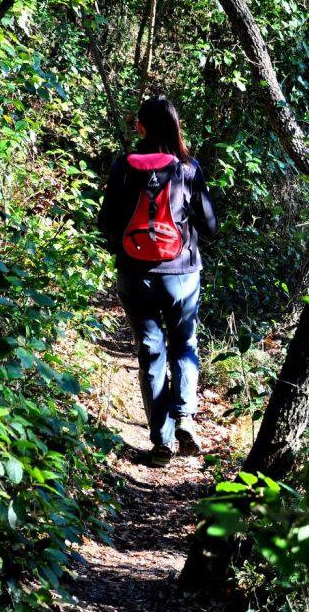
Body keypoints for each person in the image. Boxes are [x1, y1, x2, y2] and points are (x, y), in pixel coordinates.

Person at [97, 96, 218, 467]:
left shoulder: (122, 167)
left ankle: (161, 442)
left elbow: (105, 223)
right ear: (175, 127)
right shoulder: (188, 168)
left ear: (141, 128)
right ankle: (184, 418)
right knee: (184, 344)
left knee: (150, 350)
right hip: (181, 274)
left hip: (135, 275)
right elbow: (210, 227)